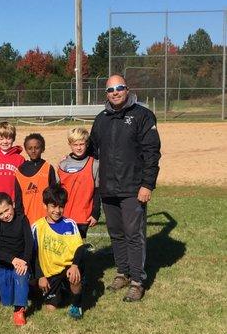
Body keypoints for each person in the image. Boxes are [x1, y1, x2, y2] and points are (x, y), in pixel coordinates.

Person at [90, 74, 161, 302]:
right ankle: (122, 272)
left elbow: (152, 153)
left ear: (127, 89)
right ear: (106, 94)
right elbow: (92, 151)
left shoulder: (143, 116)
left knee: (134, 235)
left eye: (119, 88)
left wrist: (147, 184)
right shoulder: (101, 119)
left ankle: (138, 281)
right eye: (111, 90)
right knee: (117, 234)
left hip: (133, 188)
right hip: (108, 188)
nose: (115, 92)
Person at [32, 185, 86, 320]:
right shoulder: (37, 227)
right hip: (49, 272)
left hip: (68, 267)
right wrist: (40, 276)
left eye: (61, 207)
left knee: (75, 276)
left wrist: (74, 266)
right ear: (45, 206)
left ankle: (76, 304)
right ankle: (60, 291)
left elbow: (79, 247)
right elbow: (33, 255)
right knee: (51, 309)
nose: (57, 210)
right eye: (53, 206)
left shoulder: (70, 224)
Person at [0, 192, 32, 326]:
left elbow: (29, 242)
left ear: (12, 204)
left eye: (7, 210)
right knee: (6, 300)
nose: (5, 215)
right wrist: (12, 259)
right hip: (5, 264)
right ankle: (14, 297)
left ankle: (19, 310)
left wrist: (24, 261)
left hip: (21, 263)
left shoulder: (22, 219)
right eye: (0, 214)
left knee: (21, 279)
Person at [57, 127, 101, 239]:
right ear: (70, 144)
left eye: (81, 144)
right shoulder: (63, 164)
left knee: (77, 248)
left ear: (87, 144)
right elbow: (57, 191)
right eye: (75, 145)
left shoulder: (94, 164)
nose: (79, 148)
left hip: (83, 215)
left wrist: (95, 213)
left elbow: (97, 191)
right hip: (63, 214)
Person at [14, 133, 58, 225]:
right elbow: (18, 199)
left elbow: (53, 195)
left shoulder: (48, 168)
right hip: (27, 220)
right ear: (26, 150)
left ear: (42, 149)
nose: (33, 151)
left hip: (46, 219)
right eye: (30, 148)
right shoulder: (20, 171)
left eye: (36, 148)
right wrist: (20, 218)